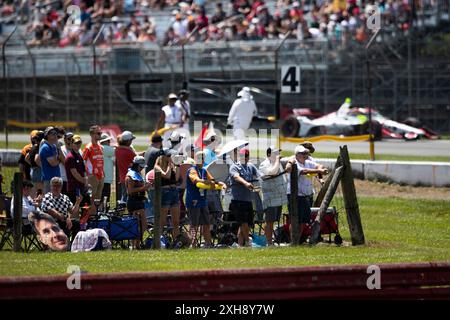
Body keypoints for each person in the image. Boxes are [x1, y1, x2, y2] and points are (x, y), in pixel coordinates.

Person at [285, 145, 329, 244]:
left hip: (306, 195)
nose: (305, 155)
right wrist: (319, 171)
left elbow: (318, 165)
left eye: (306, 153)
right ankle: (293, 241)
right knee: (294, 219)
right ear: (297, 155)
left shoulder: (307, 162)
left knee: (303, 220)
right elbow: (304, 171)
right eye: (302, 153)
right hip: (295, 196)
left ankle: (298, 240)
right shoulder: (295, 163)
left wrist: (321, 169)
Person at [186, 151, 226, 248]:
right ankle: (193, 244)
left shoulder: (204, 170)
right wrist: (209, 182)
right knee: (194, 224)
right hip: (193, 200)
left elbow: (212, 180)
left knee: (206, 223)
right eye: (199, 158)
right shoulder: (192, 170)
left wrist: (220, 183)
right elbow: (196, 180)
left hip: (203, 200)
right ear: (195, 159)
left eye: (203, 158)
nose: (202, 160)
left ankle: (208, 244)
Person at [28, 211, 112, 252]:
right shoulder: (48, 198)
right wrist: (63, 217)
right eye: (46, 232)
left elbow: (72, 211)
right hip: (59, 219)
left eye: (55, 229)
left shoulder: (64, 198)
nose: (55, 235)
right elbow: (50, 210)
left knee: (78, 223)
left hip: (65, 220)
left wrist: (78, 201)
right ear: (41, 239)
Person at [229, 147, 260, 247]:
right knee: (243, 223)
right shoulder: (234, 166)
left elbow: (260, 175)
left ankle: (240, 245)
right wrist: (246, 183)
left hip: (248, 199)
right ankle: (248, 242)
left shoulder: (251, 166)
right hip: (238, 200)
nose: (244, 158)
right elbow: (236, 177)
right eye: (242, 156)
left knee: (244, 224)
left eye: (246, 156)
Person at [259, 146, 288, 246]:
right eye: (275, 153)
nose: (277, 155)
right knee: (269, 221)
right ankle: (269, 242)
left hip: (278, 197)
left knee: (274, 221)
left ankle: (271, 240)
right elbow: (273, 172)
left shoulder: (277, 162)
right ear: (268, 155)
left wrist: (289, 163)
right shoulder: (264, 164)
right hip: (270, 198)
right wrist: (277, 161)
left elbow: (292, 159)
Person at [154, 148, 181, 240]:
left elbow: (176, 179)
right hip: (165, 193)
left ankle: (176, 240)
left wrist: (178, 166)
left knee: (176, 221)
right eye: (169, 156)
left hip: (174, 191)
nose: (171, 157)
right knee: (162, 221)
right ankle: (159, 241)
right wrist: (170, 165)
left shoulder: (173, 165)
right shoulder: (157, 166)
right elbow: (166, 175)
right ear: (163, 157)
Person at [125, 156, 151, 249]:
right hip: (134, 202)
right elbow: (130, 191)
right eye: (141, 166)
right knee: (138, 225)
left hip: (139, 201)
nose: (143, 168)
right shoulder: (130, 176)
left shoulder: (137, 174)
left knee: (143, 225)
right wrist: (144, 188)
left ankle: (137, 244)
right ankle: (135, 245)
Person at [82, 125, 105, 203]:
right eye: (98, 133)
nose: (100, 135)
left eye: (100, 133)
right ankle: (91, 214)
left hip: (101, 175)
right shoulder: (88, 147)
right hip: (92, 176)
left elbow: (101, 160)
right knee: (92, 197)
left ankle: (96, 213)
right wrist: (88, 174)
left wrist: (103, 172)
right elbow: (83, 161)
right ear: (92, 134)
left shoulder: (100, 147)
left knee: (98, 197)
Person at [65, 135, 89, 205]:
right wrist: (85, 181)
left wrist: (86, 182)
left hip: (80, 186)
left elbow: (83, 170)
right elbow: (75, 173)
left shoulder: (79, 155)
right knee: (75, 208)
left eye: (79, 143)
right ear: (71, 144)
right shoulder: (70, 157)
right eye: (76, 143)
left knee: (84, 207)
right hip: (74, 187)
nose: (78, 145)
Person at [38, 127, 63, 193]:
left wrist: (59, 148)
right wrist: (59, 160)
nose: (55, 135)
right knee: (48, 199)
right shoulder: (45, 147)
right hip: (49, 179)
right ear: (47, 135)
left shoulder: (54, 146)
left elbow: (63, 160)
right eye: (53, 133)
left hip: (56, 177)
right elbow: (54, 163)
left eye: (56, 133)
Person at [115, 130, 137, 204]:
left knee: (124, 196)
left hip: (122, 177)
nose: (131, 142)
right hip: (131, 178)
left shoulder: (117, 150)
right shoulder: (129, 152)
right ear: (127, 141)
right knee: (130, 198)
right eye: (131, 140)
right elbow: (138, 161)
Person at [26, 130, 45, 197]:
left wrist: (32, 165)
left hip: (33, 170)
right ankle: (38, 205)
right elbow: (37, 159)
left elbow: (26, 158)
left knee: (33, 189)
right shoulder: (39, 147)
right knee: (41, 190)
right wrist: (43, 167)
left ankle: (32, 204)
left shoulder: (33, 147)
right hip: (38, 170)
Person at [100, 133, 114, 203]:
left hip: (102, 177)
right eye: (108, 141)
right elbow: (117, 151)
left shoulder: (100, 148)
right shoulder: (105, 148)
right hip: (106, 179)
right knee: (105, 198)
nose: (109, 142)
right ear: (103, 141)